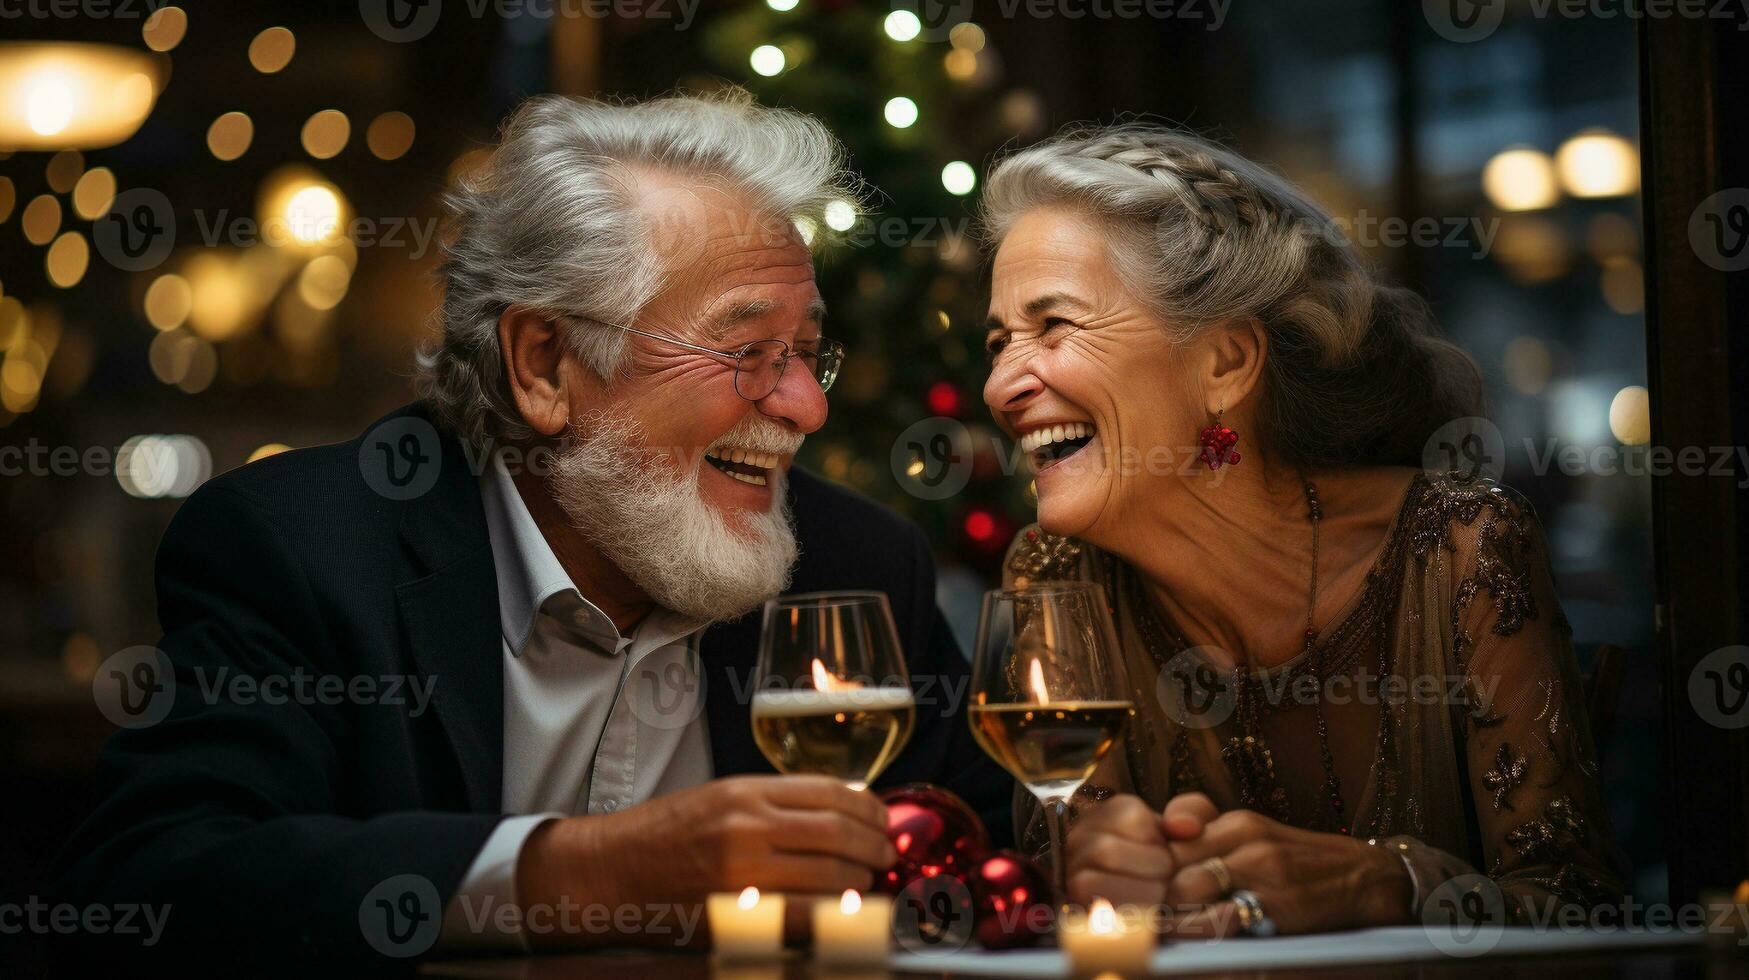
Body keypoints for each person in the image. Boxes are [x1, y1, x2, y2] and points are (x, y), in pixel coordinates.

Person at [55, 91, 1007, 965]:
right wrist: (586, 869)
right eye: (748, 351)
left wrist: (1096, 858)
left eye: (806, 354)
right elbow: (157, 887)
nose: (804, 406)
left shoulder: (855, 568)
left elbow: (984, 858)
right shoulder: (303, 549)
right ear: (544, 364)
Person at [977, 123, 1624, 935]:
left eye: (1055, 326)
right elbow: (1072, 918)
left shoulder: (1463, 545)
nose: (1001, 384)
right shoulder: (1055, 575)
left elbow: (1584, 916)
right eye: (998, 341)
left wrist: (1384, 885)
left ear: (1224, 364)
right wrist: (1103, 879)